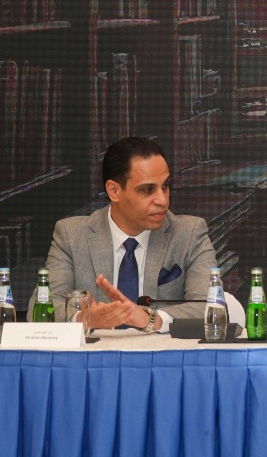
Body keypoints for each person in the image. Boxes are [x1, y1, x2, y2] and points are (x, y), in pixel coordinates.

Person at [33, 136, 236, 332]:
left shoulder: (189, 234)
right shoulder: (71, 235)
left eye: (165, 186)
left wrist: (151, 319)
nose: (162, 200)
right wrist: (85, 319)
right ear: (114, 191)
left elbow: (209, 306)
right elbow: (41, 308)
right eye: (147, 190)